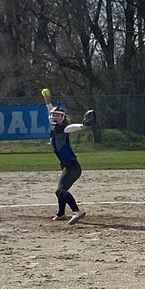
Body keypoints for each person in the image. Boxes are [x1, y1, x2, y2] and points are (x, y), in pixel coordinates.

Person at [42, 92, 95, 225]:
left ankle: (77, 211)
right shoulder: (55, 127)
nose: (54, 117)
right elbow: (51, 111)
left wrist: (83, 126)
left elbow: (73, 128)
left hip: (72, 167)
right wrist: (48, 102)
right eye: (53, 115)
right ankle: (61, 214)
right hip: (69, 166)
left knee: (60, 190)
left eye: (58, 116)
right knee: (61, 190)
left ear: (63, 118)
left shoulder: (64, 129)